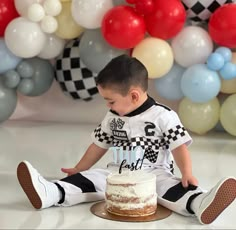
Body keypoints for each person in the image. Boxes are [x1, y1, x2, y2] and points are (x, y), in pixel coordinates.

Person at [17, 54, 236, 225]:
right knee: (88, 180)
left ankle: (200, 202)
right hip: (116, 174)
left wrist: (187, 173)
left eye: (110, 101)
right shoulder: (112, 118)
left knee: (171, 189)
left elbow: (178, 147)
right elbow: (98, 145)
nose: (108, 106)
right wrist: (79, 168)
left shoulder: (163, 116)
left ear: (133, 96)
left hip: (154, 174)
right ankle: (50, 192)